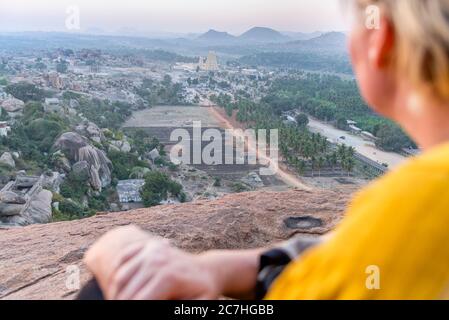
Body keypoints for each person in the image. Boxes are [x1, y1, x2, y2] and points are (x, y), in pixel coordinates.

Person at [82, 0, 449, 300]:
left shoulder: (421, 200)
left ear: (380, 38)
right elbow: (335, 257)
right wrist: (207, 268)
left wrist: (122, 242)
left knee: (102, 292)